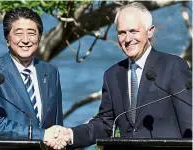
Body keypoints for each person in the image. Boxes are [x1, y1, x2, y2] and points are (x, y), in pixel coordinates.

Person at [45, 2, 192, 150]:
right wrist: (70, 135)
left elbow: (189, 123)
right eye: (122, 33)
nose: (127, 39)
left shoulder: (173, 66)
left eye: (133, 31)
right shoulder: (112, 75)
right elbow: (105, 124)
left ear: (150, 31)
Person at [0, 7, 67, 144]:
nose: (25, 40)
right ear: (7, 39)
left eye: (31, 33)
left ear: (39, 37)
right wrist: (42, 135)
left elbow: (57, 121)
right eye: (18, 33)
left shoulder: (51, 71)